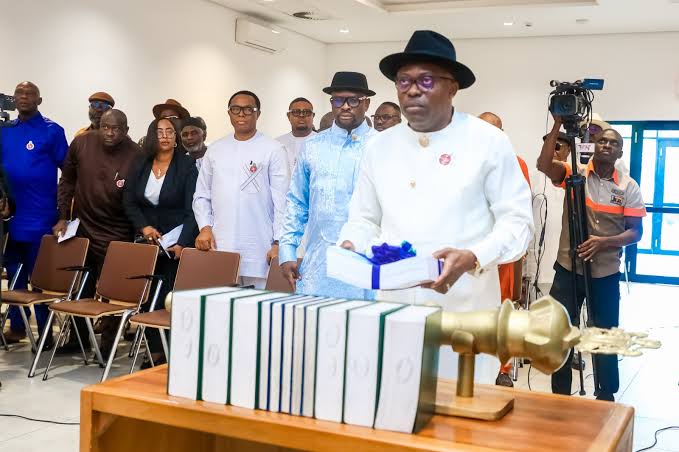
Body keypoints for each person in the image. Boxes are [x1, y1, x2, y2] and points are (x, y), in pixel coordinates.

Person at [337, 31, 534, 383]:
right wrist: (352, 243)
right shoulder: (378, 147)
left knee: (464, 412)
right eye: (404, 81)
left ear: (452, 87)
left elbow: (518, 225)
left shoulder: (488, 142)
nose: (412, 90)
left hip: (466, 317)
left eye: (426, 80)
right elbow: (364, 218)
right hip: (395, 312)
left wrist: (473, 256)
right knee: (394, 404)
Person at [537, 117, 645, 401]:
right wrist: (557, 125)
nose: (607, 145)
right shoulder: (574, 174)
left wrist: (604, 242)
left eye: (613, 143)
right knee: (560, 332)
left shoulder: (628, 187)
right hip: (568, 268)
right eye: (602, 141)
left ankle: (606, 395)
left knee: (605, 335)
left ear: (620, 152)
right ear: (594, 146)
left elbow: (636, 233)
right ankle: (560, 396)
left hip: (605, 274)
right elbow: (544, 165)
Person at [278, 72, 377, 299]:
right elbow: (297, 202)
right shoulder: (314, 146)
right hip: (319, 264)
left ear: (367, 103)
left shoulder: (381, 145)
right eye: (338, 100)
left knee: (364, 320)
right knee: (313, 320)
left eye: (353, 100)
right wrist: (287, 250)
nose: (345, 106)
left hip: (368, 262)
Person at [54, 109, 141, 355]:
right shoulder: (81, 143)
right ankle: (78, 339)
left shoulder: (137, 155)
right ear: (99, 125)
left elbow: (139, 198)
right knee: (80, 286)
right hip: (83, 229)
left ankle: (109, 344)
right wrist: (63, 217)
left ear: (126, 130)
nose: (109, 133)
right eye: (105, 127)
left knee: (114, 291)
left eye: (116, 128)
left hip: (118, 232)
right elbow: (67, 180)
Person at [193, 90, 288, 288]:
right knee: (223, 303)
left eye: (248, 109)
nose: (242, 114)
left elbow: (283, 201)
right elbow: (202, 195)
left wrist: (279, 242)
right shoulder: (215, 150)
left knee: (256, 305)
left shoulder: (273, 149)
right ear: (229, 113)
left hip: (260, 247)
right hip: (221, 244)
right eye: (236, 109)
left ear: (258, 113)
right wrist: (205, 227)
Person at [123, 117, 198, 365]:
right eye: (159, 132)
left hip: (175, 245)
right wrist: (144, 227)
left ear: (176, 137)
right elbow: (129, 201)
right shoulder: (140, 163)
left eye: (169, 132)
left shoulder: (187, 166)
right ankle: (154, 349)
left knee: (169, 297)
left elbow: (193, 209)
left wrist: (183, 242)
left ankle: (168, 351)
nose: (164, 136)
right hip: (147, 243)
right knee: (148, 296)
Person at [0, 81, 68, 346]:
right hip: (10, 218)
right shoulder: (5, 131)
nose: (24, 97)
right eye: (19, 93)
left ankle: (45, 333)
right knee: (13, 274)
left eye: (29, 94)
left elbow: (68, 174)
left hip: (40, 217)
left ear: (39, 100)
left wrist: (63, 214)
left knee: (39, 278)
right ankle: (17, 328)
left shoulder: (52, 131)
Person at [479, 111, 532, 387]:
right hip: (470, 255)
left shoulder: (516, 164)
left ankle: (502, 368)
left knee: (502, 309)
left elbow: (520, 217)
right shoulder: (460, 160)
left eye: (494, 130)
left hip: (502, 256)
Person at [276, 97, 316, 176]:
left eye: (306, 112)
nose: (301, 115)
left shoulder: (323, 143)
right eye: (296, 112)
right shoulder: (277, 144)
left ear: (313, 116)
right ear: (288, 116)